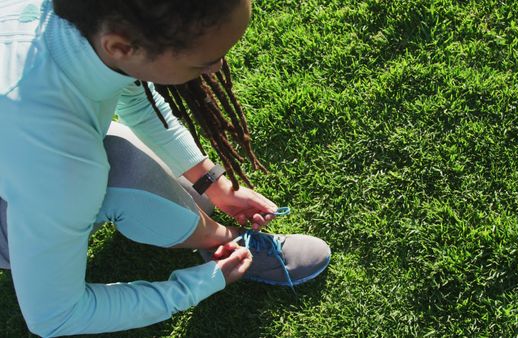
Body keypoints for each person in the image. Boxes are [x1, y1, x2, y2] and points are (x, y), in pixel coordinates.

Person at [0, 0, 331, 336]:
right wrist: (198, 285)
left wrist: (213, 183)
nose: (216, 69)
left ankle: (198, 223)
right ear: (120, 46)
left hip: (29, 162)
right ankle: (227, 243)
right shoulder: (57, 155)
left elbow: (134, 89)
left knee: (164, 188)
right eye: (203, 61)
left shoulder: (86, 23)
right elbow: (55, 316)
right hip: (30, 185)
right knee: (119, 171)